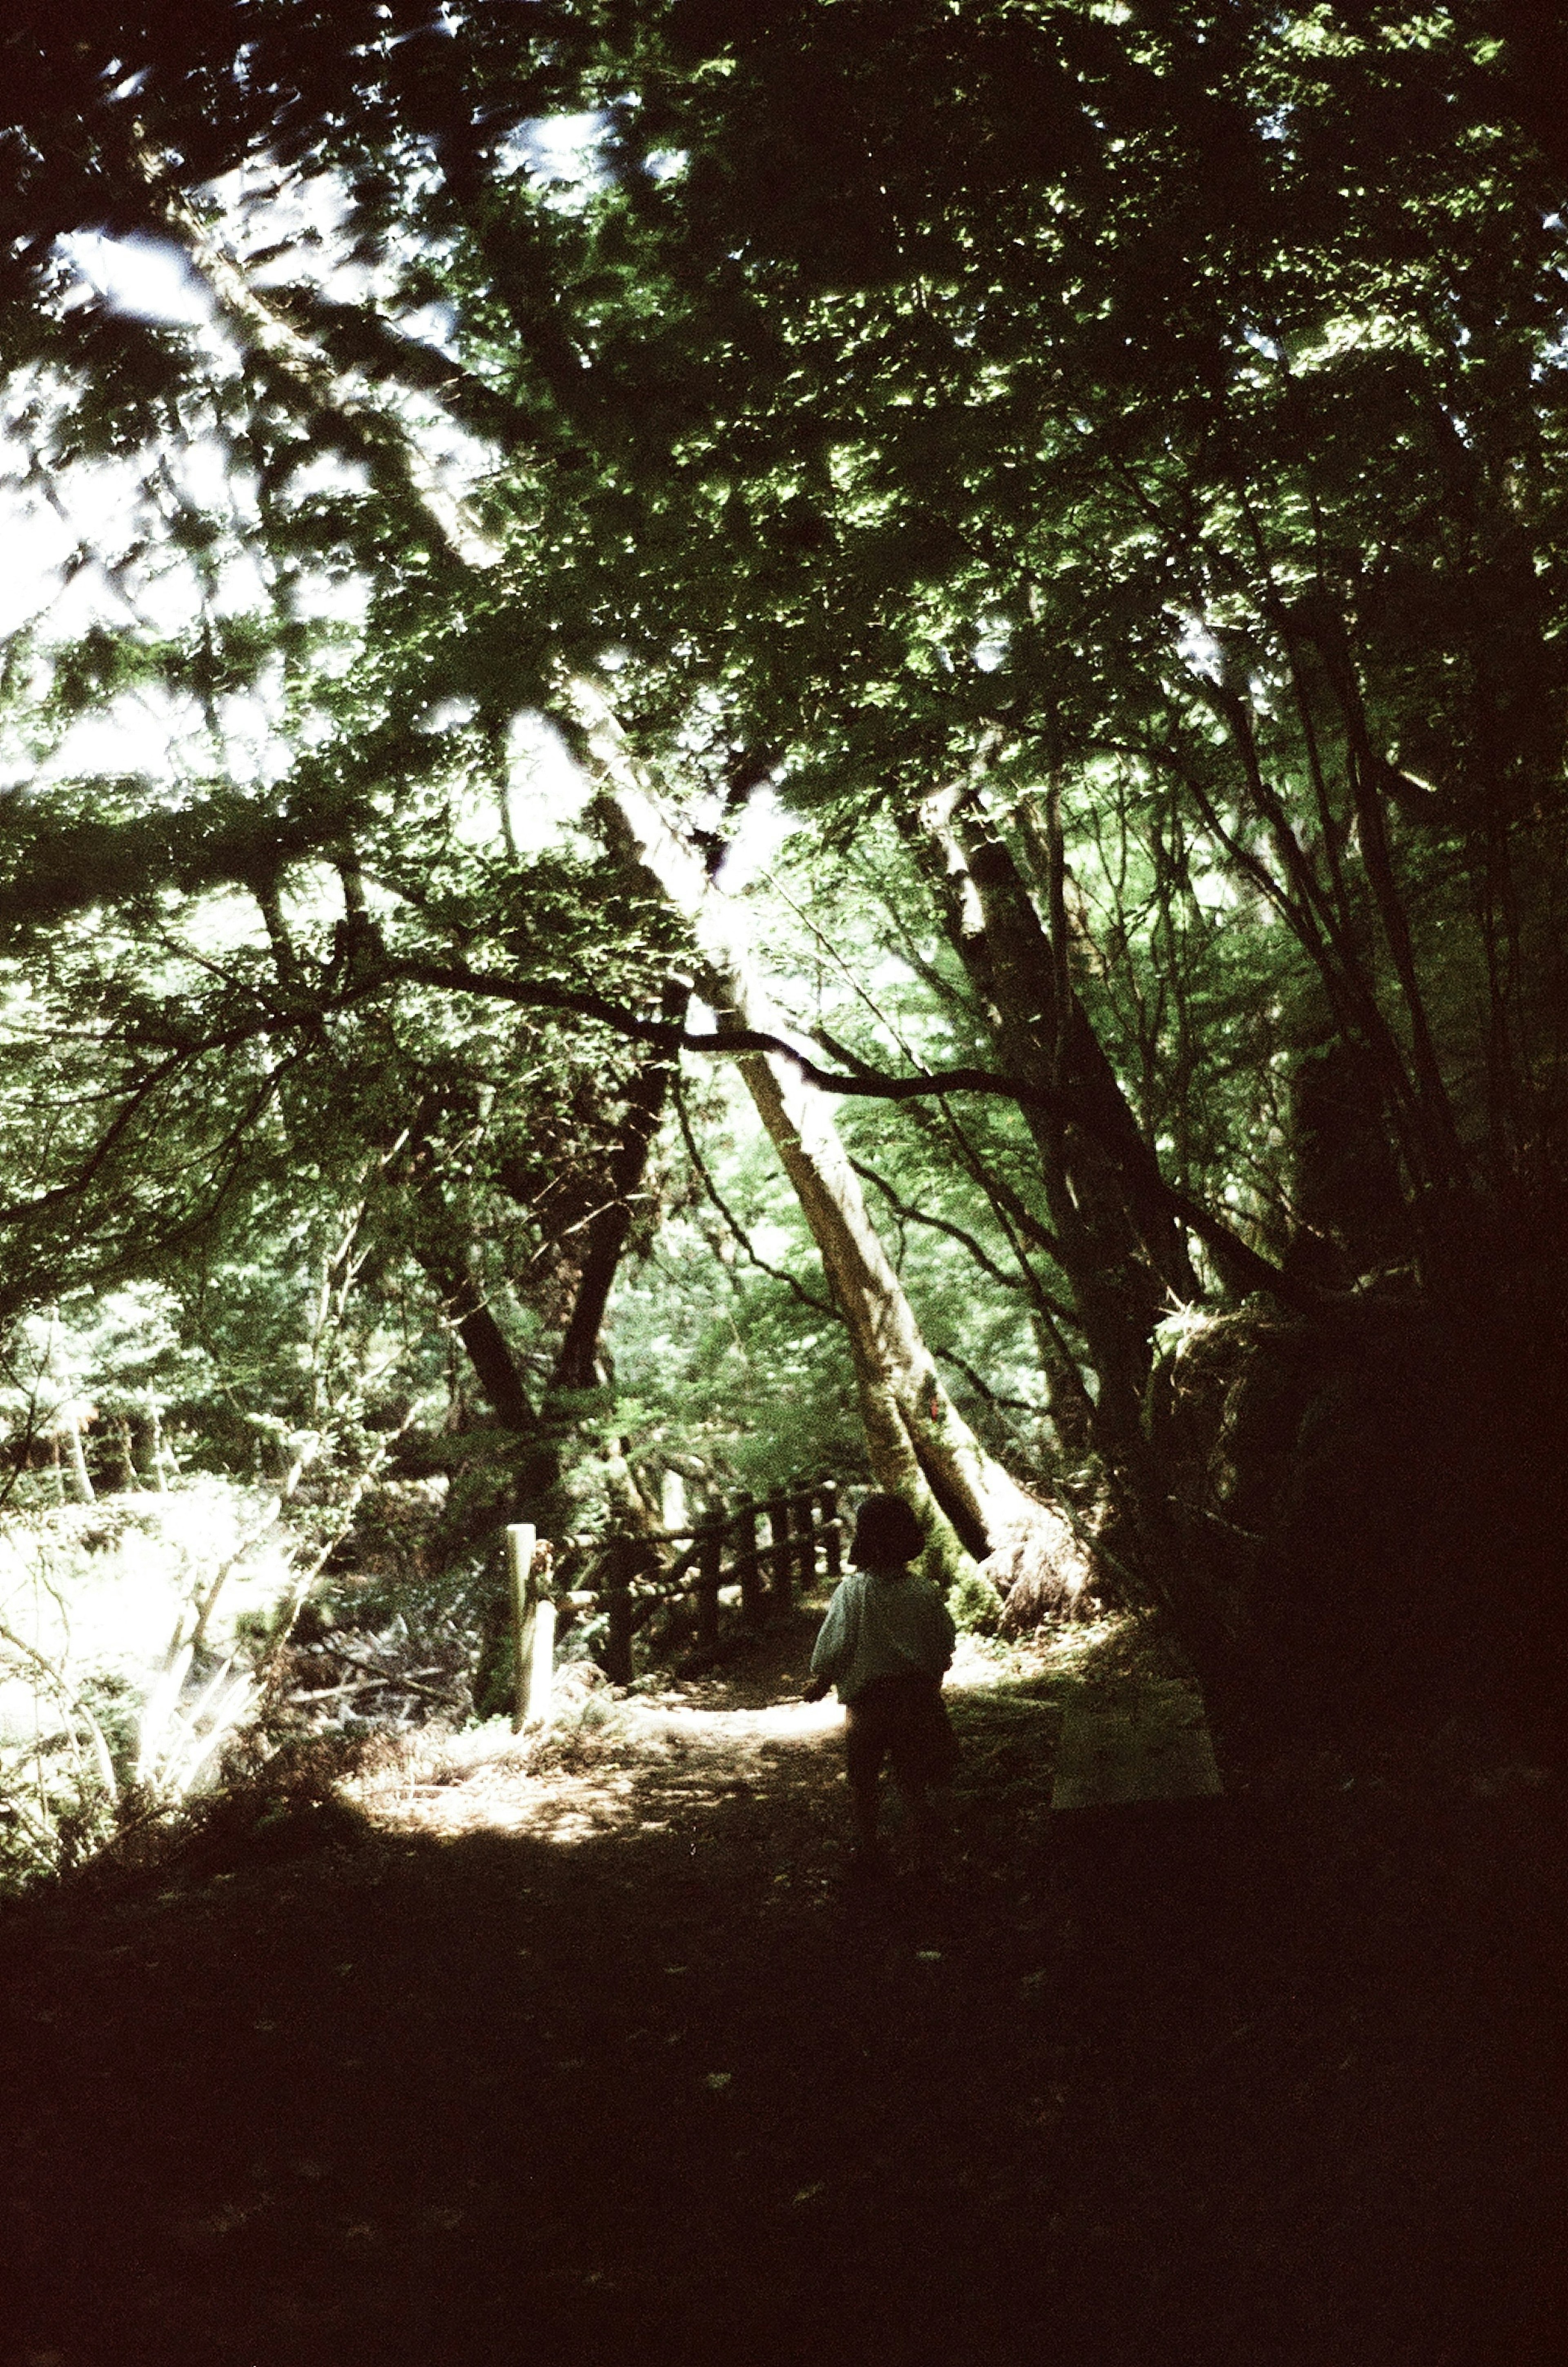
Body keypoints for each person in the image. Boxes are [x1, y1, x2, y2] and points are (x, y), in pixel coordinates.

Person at [802, 1491, 957, 1867]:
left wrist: (821, 1681)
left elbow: (836, 1646)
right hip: (916, 1701)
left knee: (864, 1781)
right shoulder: (924, 1592)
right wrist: (932, 1678)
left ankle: (869, 1849)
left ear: (863, 1541)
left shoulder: (853, 1593)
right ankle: (923, 1853)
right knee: (913, 1778)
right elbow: (943, 1643)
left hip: (868, 1705)